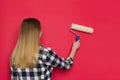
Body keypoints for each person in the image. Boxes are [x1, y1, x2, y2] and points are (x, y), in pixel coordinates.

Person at [10, 18, 80, 80]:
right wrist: (74, 48)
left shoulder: (15, 56)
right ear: (39, 33)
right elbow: (67, 65)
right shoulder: (45, 53)